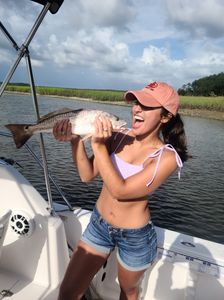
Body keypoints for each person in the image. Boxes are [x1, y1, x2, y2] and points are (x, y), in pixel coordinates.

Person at [53, 81, 188, 300]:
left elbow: (121, 191)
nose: (137, 109)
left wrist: (97, 146)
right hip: (99, 225)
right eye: (137, 103)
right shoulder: (118, 136)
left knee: (129, 291)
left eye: (147, 106)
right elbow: (87, 175)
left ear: (165, 117)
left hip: (135, 237)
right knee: (68, 292)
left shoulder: (167, 157)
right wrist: (75, 140)